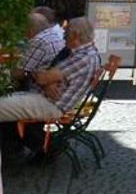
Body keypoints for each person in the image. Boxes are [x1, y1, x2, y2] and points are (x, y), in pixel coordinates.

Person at [0, 18, 105, 158]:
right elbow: (47, 74)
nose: (63, 37)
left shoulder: (84, 57)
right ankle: (15, 149)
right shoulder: (81, 52)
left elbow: (42, 77)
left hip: (51, 104)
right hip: (45, 97)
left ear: (75, 35)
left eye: (66, 33)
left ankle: (40, 148)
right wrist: (48, 81)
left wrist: (46, 79)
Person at [15, 11, 64, 87]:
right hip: (54, 82)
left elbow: (19, 72)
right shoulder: (55, 35)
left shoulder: (39, 41)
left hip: (39, 87)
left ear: (30, 30)